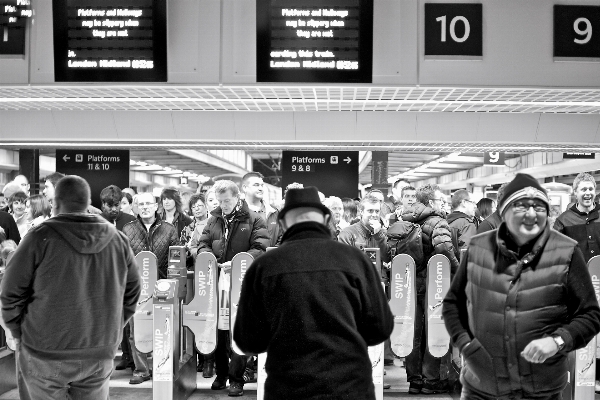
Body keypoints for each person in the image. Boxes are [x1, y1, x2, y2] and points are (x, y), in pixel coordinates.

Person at [443, 172, 600, 400]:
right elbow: (452, 304)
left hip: (540, 386)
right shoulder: (479, 249)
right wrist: (467, 345)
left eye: (538, 207)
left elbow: (590, 315)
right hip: (483, 386)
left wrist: (557, 341)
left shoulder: (566, 252)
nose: (530, 214)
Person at [234, 186, 393, 400]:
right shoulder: (356, 260)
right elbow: (381, 329)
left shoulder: (263, 267)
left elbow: (247, 341)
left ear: (283, 223)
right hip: (350, 385)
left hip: (287, 387)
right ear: (326, 219)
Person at [1, 175, 141, 400]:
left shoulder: (39, 236)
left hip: (43, 350)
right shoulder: (117, 239)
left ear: (55, 203)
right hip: (98, 350)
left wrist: (19, 333)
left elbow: (10, 293)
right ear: (87, 203)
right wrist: (113, 325)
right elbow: (133, 291)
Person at [197, 179, 269, 397]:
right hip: (216, 281)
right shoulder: (214, 219)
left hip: (243, 283)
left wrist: (239, 262)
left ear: (238, 197)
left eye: (227, 201)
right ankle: (222, 374)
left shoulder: (255, 219)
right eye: (219, 201)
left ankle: (237, 379)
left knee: (239, 330)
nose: (223, 205)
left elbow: (260, 247)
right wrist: (207, 257)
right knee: (219, 328)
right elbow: (203, 244)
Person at [400, 183, 460, 395]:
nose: (444, 204)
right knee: (433, 328)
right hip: (433, 282)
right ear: (431, 202)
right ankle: (430, 380)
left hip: (407, 282)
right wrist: (457, 268)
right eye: (441, 200)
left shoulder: (405, 219)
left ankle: (414, 380)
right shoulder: (438, 221)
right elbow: (443, 247)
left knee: (412, 331)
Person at [123, 192, 179, 384]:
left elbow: (175, 257)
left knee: (163, 328)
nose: (145, 207)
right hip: (137, 288)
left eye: (149, 203)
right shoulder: (127, 229)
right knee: (136, 330)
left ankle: (161, 366)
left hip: (163, 286)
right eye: (141, 204)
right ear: (136, 207)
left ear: (156, 206)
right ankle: (141, 370)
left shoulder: (169, 229)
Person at [553, 172, 600, 391]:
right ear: (576, 193)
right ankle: (579, 376)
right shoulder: (564, 220)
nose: (588, 193)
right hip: (578, 288)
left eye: (591, 189)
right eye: (584, 189)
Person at [99, 185, 136, 372]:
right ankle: (114, 356)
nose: (113, 209)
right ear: (102, 204)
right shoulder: (95, 222)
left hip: (126, 277)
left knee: (127, 320)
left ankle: (130, 357)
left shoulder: (130, 222)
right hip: (103, 279)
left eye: (117, 205)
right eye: (109, 205)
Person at [338, 194, 390, 265]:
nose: (374, 215)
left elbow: (387, 258)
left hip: (377, 275)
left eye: (377, 211)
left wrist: (378, 236)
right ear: (361, 212)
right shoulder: (347, 233)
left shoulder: (383, 233)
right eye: (370, 211)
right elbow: (344, 262)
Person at [242, 172, 281, 247]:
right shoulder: (236, 212)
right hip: (246, 258)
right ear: (245, 188)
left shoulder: (274, 212)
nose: (260, 188)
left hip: (270, 257)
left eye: (262, 185)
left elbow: (281, 237)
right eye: (256, 185)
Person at [446, 189, 478, 260]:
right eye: (473, 202)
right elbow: (467, 256)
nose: (475, 206)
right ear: (464, 202)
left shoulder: (445, 222)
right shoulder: (467, 224)